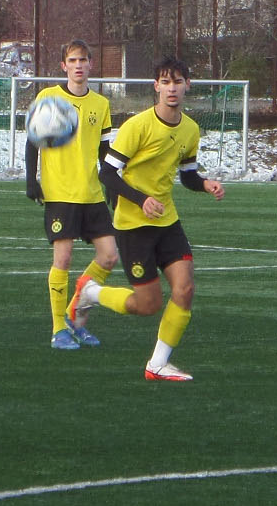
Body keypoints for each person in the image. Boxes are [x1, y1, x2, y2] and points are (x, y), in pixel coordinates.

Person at [73, 55, 224, 381]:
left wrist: (205, 184)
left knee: (185, 289)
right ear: (156, 86)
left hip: (167, 222)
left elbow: (187, 175)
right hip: (133, 226)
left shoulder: (190, 129)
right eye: (166, 82)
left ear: (188, 85)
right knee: (147, 304)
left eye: (178, 82)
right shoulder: (138, 126)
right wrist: (141, 200)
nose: (172, 88)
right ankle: (90, 293)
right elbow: (107, 174)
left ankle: (156, 364)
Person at [25, 38, 120, 349]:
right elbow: (33, 141)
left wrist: (112, 184)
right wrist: (31, 179)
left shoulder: (101, 104)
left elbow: (105, 150)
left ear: (91, 64)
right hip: (60, 193)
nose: (78, 65)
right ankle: (58, 330)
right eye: (73, 60)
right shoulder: (48, 98)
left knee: (109, 256)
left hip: (91, 193)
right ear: (63, 65)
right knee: (63, 259)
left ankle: (73, 313)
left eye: (83, 60)